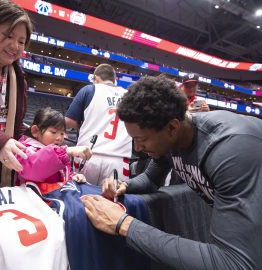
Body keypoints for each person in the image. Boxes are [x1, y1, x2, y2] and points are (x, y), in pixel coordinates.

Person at [81, 75, 262, 269]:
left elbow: (235, 263)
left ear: (172, 127)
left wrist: (124, 225)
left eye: (142, 139)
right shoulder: (172, 137)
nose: (138, 148)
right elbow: (151, 179)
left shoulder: (229, 149)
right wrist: (125, 185)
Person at [65, 63, 132, 185]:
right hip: (119, 160)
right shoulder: (129, 95)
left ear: (96, 78)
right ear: (114, 79)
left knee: (80, 197)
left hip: (88, 155)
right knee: (112, 202)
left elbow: (69, 121)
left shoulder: (89, 90)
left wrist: (88, 124)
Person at [0, 0, 33, 187]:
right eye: (9, 36)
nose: (15, 46)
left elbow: (14, 127)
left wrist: (39, 141)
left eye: (21, 41)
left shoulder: (18, 78)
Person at [16, 107, 92, 194]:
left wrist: (74, 176)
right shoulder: (25, 150)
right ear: (35, 131)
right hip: (32, 201)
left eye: (62, 133)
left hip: (53, 199)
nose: (59, 138)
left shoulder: (59, 153)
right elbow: (34, 169)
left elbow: (63, 173)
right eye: (53, 132)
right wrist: (66, 151)